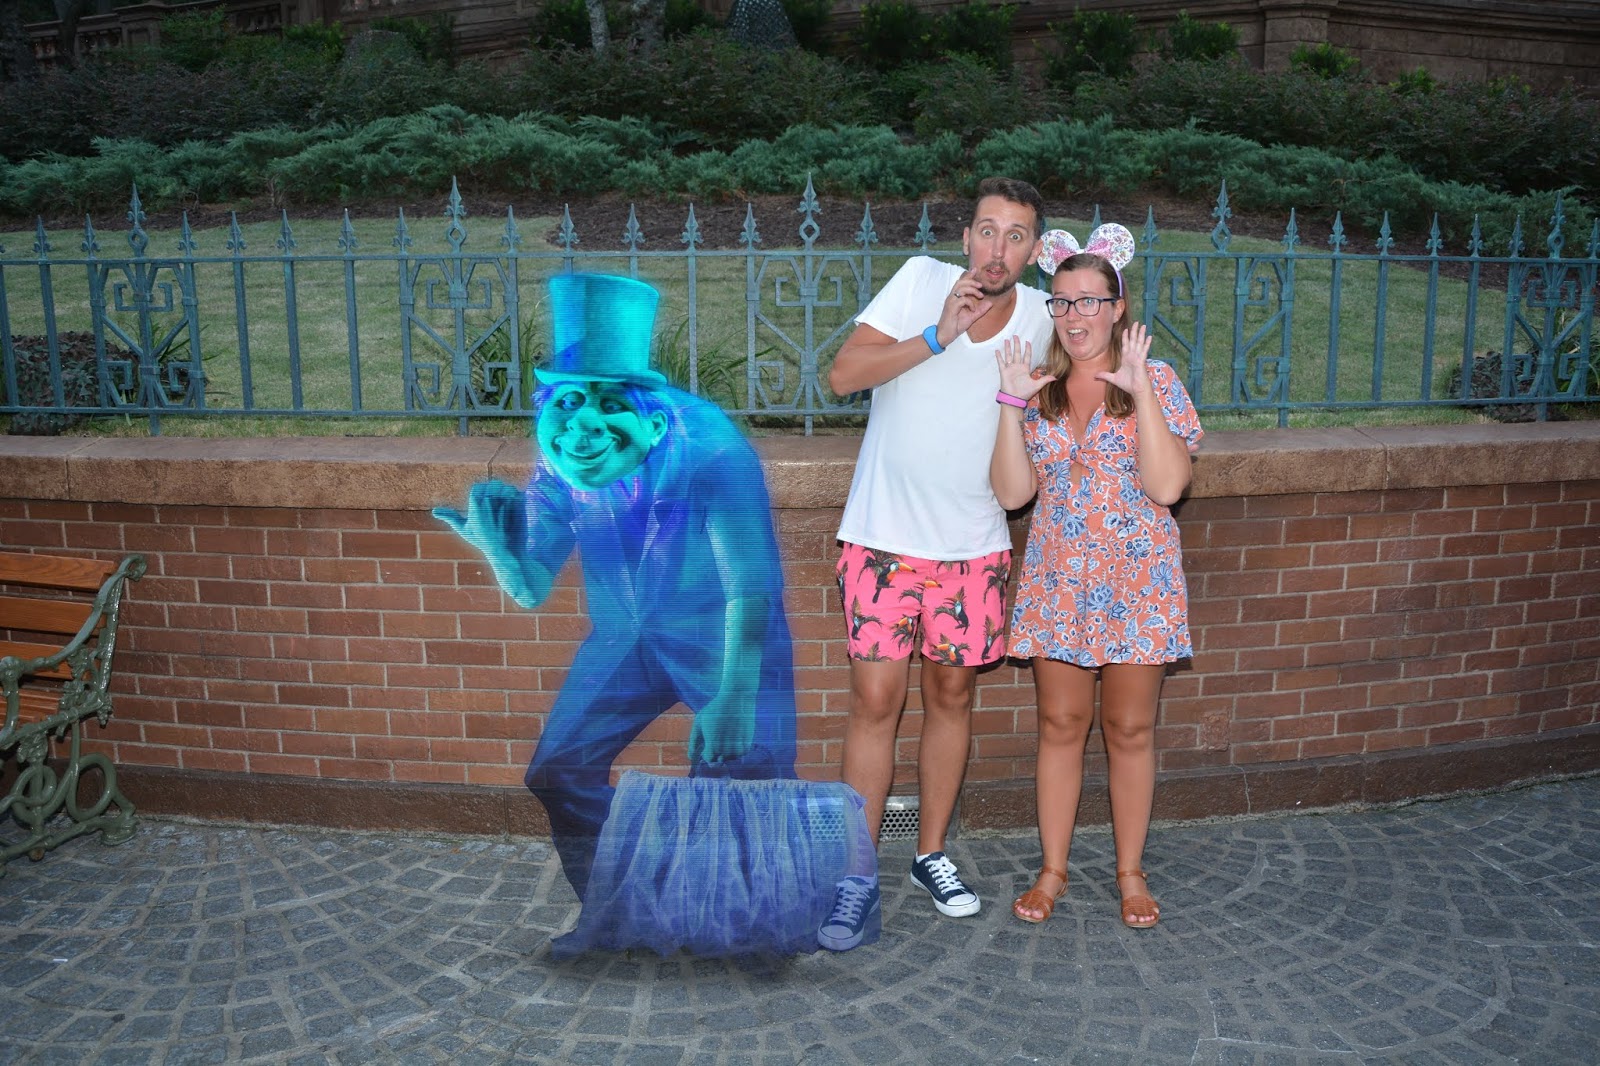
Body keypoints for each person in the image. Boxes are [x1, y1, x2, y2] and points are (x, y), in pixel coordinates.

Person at [434, 273, 803, 903]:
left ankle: (742, 921)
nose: (582, 427)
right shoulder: (562, 460)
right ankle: (630, 901)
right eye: (569, 401)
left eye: (609, 405)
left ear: (654, 423)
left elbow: (751, 583)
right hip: (627, 635)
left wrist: (736, 695)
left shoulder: (714, 451)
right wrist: (498, 549)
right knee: (559, 771)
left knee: (740, 782)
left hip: (723, 636)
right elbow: (532, 586)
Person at [818, 177, 1056, 951]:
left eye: (1015, 236)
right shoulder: (921, 281)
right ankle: (856, 874)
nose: (997, 249)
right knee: (875, 700)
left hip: (974, 545)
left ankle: (930, 854)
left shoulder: (1043, 316)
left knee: (952, 695)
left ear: (1034, 250)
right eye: (986, 230)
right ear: (965, 237)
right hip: (883, 537)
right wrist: (937, 334)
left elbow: (1088, 370)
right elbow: (843, 376)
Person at [989, 224, 1203, 929]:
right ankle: (1052, 870)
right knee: (1059, 724)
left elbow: (1168, 486)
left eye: (1089, 301)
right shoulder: (1038, 387)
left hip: (1137, 582)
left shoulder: (1156, 379)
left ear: (1118, 307)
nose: (1075, 316)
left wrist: (1141, 396)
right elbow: (1013, 495)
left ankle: (1130, 872)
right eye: (1062, 302)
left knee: (1129, 729)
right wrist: (1010, 404)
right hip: (1060, 580)